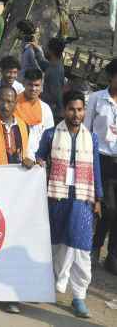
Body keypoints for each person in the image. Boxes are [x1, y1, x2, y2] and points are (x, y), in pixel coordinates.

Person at [35, 92, 103, 319]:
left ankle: (79, 296)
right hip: (57, 199)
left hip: (82, 201)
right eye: (72, 110)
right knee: (57, 246)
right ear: (64, 111)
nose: (77, 114)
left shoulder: (91, 138)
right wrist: (37, 161)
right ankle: (50, 287)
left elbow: (96, 170)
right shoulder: (51, 134)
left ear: (85, 111)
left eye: (80, 110)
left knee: (82, 249)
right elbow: (39, 159)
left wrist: (98, 199)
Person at [83, 59, 117, 273]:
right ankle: (95, 246)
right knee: (108, 208)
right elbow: (86, 131)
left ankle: (112, 256)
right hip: (101, 159)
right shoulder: (97, 99)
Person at [14, 69, 54, 157]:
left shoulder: (45, 109)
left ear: (41, 86)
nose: (33, 89)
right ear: (24, 83)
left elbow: (49, 137)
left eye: (37, 85)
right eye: (30, 85)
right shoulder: (13, 105)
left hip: (38, 159)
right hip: (17, 157)